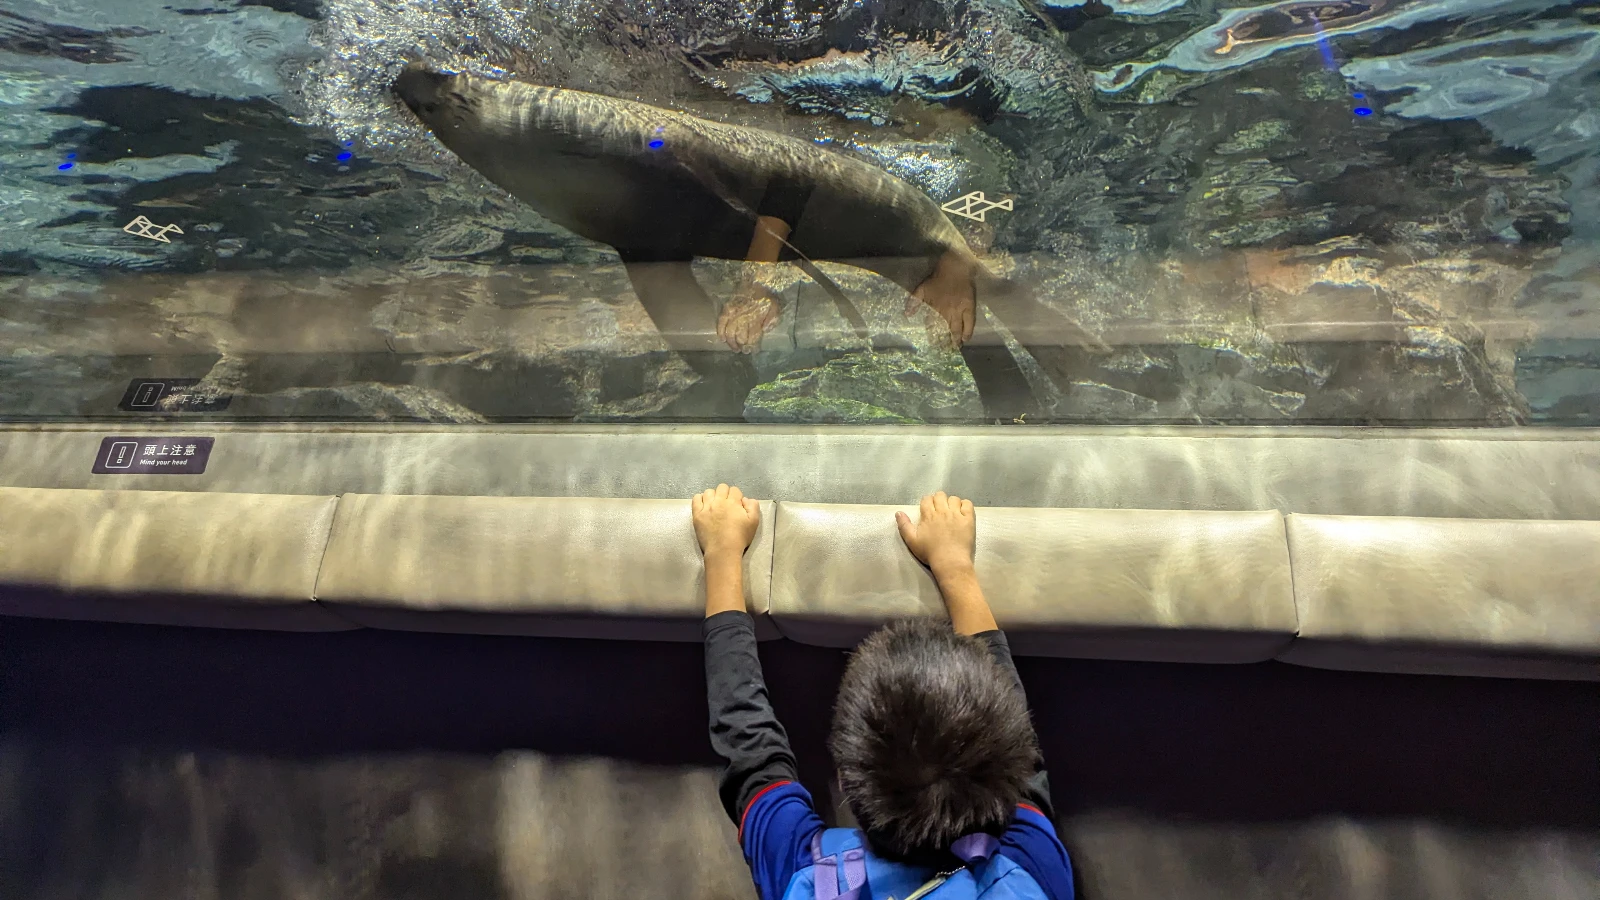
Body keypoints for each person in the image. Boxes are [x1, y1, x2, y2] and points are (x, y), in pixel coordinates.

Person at [692, 485, 1074, 900]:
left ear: (843, 777)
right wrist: (954, 566)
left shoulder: (801, 872)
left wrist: (722, 552)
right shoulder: (1031, 868)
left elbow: (747, 740)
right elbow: (749, 749)